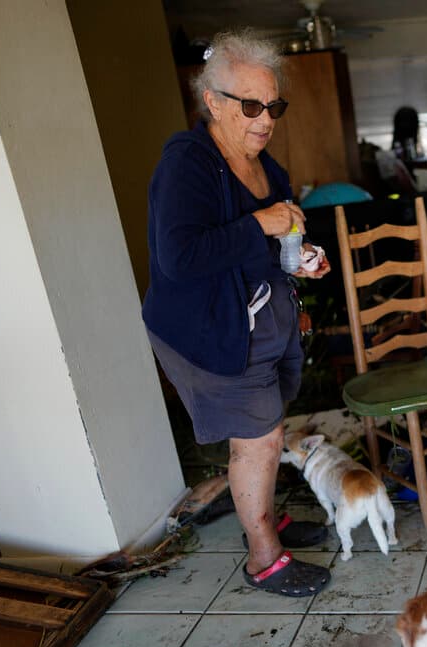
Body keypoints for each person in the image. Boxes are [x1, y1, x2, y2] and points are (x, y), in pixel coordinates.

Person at [143, 30, 332, 596]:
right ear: (213, 102)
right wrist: (262, 224)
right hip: (210, 330)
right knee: (260, 438)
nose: (265, 118)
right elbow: (180, 257)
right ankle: (263, 557)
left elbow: (270, 245)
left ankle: (262, 514)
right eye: (250, 106)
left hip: (257, 320)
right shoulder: (189, 163)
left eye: (272, 106)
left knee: (267, 428)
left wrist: (298, 258)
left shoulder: (266, 169)